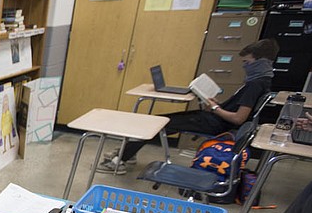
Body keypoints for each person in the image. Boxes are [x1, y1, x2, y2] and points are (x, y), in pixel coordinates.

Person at [99, 38, 279, 174]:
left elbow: (239, 118)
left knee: (159, 124)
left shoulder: (254, 85)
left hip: (219, 124)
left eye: (247, 63)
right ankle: (127, 154)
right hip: (216, 118)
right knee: (161, 123)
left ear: (260, 62)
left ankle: (119, 159)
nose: (244, 67)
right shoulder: (263, 81)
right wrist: (217, 105)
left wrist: (216, 109)